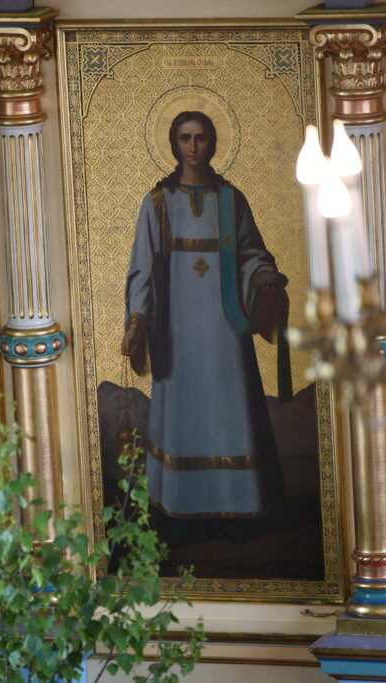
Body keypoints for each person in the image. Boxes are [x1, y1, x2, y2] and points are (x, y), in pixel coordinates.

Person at [120, 110, 287, 521]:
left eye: (200, 138)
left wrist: (264, 278)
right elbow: (142, 268)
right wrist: (137, 319)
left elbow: (251, 253)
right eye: (185, 138)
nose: (193, 147)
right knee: (184, 408)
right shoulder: (158, 202)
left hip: (225, 324)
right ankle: (182, 499)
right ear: (174, 144)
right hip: (176, 325)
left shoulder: (230, 199)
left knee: (229, 404)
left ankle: (236, 500)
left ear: (213, 143)